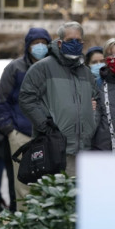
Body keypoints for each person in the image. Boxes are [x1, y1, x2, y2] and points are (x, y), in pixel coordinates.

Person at [19, 21, 99, 177]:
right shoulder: (42, 68)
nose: (75, 44)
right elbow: (26, 98)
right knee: (57, 199)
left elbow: (96, 101)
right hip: (55, 150)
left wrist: (92, 122)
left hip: (83, 150)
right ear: (60, 42)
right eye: (70, 40)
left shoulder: (87, 73)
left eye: (78, 40)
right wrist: (46, 125)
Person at [0, 27, 51, 211]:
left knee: (48, 184)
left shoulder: (54, 68)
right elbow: (1, 101)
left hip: (49, 136)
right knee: (21, 186)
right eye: (36, 43)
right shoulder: (14, 68)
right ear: (28, 46)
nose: (40, 46)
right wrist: (10, 130)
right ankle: (24, 226)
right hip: (21, 134)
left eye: (44, 42)